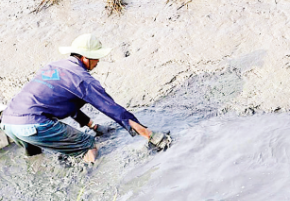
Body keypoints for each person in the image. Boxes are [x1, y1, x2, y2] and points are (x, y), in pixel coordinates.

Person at [0, 33, 170, 163]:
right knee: (89, 145)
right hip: (33, 124)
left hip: (8, 123)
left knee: (35, 156)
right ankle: (88, 183)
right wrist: (149, 134)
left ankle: (38, 169)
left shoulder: (52, 67)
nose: (98, 62)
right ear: (85, 58)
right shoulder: (82, 79)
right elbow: (111, 108)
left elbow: (67, 105)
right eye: (97, 58)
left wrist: (94, 126)